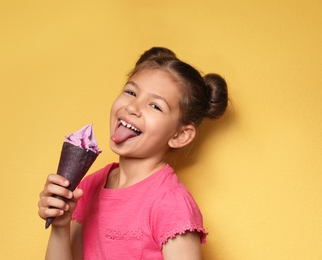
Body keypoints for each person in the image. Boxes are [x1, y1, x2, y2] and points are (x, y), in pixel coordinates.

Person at [38, 47, 228, 259]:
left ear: (180, 135)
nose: (133, 107)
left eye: (155, 106)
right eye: (131, 92)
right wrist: (60, 225)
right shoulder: (89, 186)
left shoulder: (171, 204)